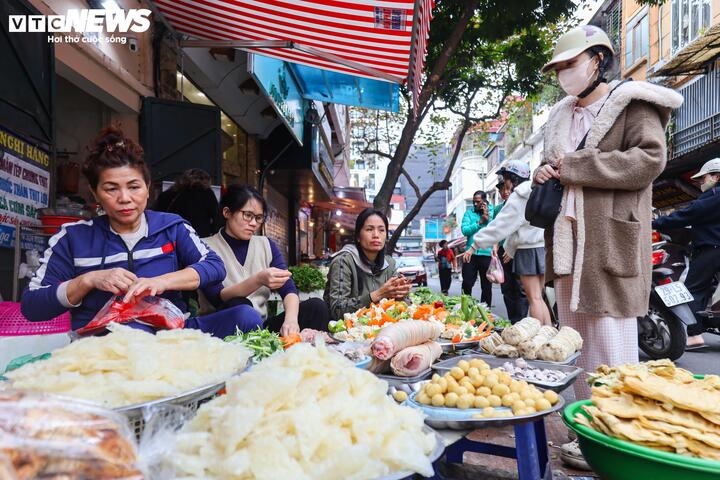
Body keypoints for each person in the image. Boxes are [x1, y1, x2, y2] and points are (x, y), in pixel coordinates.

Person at [534, 25, 682, 468]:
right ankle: (586, 431)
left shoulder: (634, 103)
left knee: (612, 345)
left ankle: (618, 436)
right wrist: (544, 172)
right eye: (558, 67)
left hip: (609, 241)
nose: (564, 73)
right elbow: (553, 166)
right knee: (576, 342)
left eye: (570, 63)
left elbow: (649, 161)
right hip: (568, 245)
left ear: (599, 59)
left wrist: (575, 166)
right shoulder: (559, 115)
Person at [21, 126, 260, 338]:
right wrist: (88, 280)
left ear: (147, 188)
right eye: (111, 188)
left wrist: (160, 282)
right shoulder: (73, 238)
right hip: (107, 345)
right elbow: (32, 306)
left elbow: (213, 266)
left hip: (173, 336)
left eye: (134, 187)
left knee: (246, 318)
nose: (124, 198)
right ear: (95, 193)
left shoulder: (172, 227)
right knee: (135, 333)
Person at [201, 184, 331, 336]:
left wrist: (291, 320)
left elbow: (288, 288)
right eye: (247, 215)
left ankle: (310, 358)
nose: (254, 223)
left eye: (259, 218)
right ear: (227, 212)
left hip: (260, 328)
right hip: (223, 327)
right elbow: (217, 297)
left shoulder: (266, 244)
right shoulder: (205, 246)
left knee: (316, 307)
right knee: (240, 305)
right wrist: (258, 280)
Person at [462, 161, 549, 325]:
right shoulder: (536, 190)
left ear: (512, 178)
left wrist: (475, 245)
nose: (505, 183)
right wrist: (509, 248)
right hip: (541, 248)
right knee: (540, 298)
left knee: (534, 299)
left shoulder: (519, 196)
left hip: (527, 251)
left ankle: (539, 338)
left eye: (506, 178)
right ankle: (548, 335)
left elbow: (500, 226)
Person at [652, 158, 720, 350]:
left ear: (716, 176)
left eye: (703, 178)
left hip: (712, 250)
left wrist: (653, 223)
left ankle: (694, 334)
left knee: (693, 290)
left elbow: (686, 215)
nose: (700, 183)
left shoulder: (714, 195)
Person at [324, 208, 412, 320]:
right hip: (347, 332)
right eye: (369, 229)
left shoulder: (389, 263)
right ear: (358, 237)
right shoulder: (343, 261)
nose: (376, 235)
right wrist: (378, 294)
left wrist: (402, 296)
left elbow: (402, 307)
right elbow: (337, 310)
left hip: (382, 328)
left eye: (381, 230)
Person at [494, 177, 529, 323]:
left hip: (518, 249)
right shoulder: (498, 209)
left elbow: (520, 228)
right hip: (503, 251)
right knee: (507, 288)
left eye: (508, 189)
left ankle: (521, 321)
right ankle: (513, 321)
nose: (505, 192)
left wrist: (511, 249)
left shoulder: (521, 204)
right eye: (502, 189)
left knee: (520, 288)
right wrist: (495, 247)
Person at [154, 168, 222, 238]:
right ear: (206, 180)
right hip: (198, 236)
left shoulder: (168, 194)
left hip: (171, 235)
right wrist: (210, 231)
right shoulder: (207, 193)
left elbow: (157, 216)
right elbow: (216, 218)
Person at [460, 191, 495, 306]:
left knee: (486, 285)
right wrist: (479, 222)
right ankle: (466, 307)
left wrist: (487, 217)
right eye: (474, 201)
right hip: (470, 254)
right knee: (467, 282)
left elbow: (495, 229)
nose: (475, 204)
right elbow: (465, 230)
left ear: (484, 201)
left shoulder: (491, 211)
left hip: (486, 253)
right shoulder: (468, 213)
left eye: (478, 202)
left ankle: (485, 310)